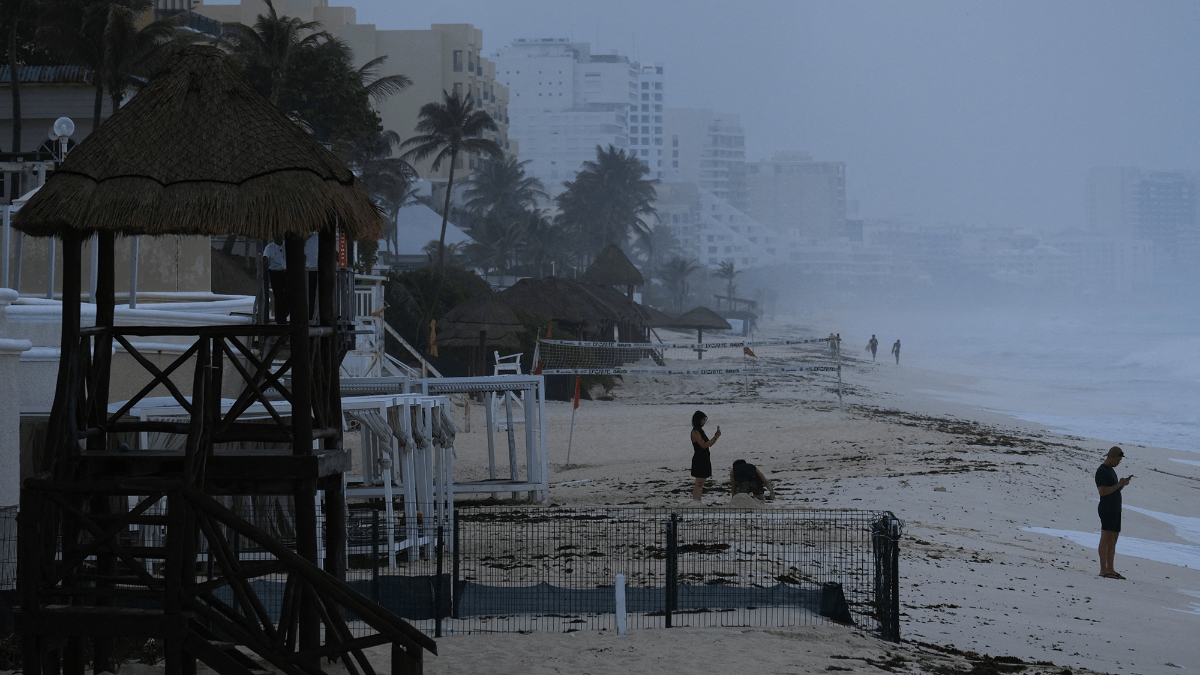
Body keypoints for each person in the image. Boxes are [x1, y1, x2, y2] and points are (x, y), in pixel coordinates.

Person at [1096, 446, 1132, 579]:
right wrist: (1118, 485)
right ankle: (1103, 569)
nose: (1118, 463)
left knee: (1113, 539)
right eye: (1117, 460)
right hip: (1106, 508)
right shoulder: (1102, 471)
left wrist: (1122, 485)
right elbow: (1103, 492)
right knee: (1106, 538)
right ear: (1109, 457)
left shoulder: (1111, 470)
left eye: (1119, 461)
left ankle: (1110, 569)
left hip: (1116, 508)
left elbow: (1113, 490)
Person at [689, 410, 721, 504]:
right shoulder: (695, 431)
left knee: (701, 482)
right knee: (699, 482)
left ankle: (697, 501)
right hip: (699, 458)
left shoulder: (700, 431)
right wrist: (715, 437)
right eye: (703, 420)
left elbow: (707, 445)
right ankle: (696, 501)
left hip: (704, 458)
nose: (704, 422)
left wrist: (715, 438)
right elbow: (703, 445)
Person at [262, 237, 288, 323]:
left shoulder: (287, 245)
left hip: (286, 273)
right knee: (278, 296)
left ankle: (284, 313)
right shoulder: (269, 247)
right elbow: (265, 258)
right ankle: (281, 321)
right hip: (275, 273)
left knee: (288, 294)